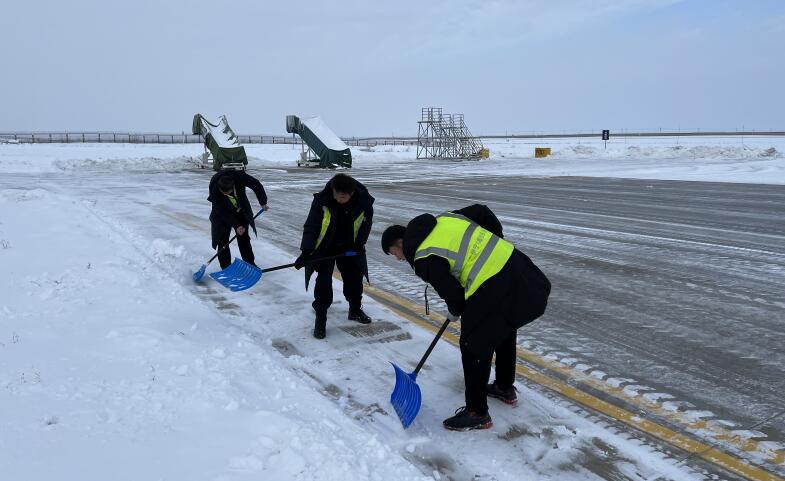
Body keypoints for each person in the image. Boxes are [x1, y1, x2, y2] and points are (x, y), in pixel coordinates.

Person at [380, 204, 550, 431]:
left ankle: (477, 412)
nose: (399, 259)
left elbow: (455, 296)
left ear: (400, 243)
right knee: (502, 326)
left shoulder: (422, 256)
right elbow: (481, 211)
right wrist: (496, 244)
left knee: (472, 344)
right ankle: (503, 387)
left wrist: (455, 308)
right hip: (522, 271)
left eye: (395, 254)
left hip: (495, 286)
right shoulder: (446, 218)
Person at [295, 174, 374, 339]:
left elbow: (366, 224)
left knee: (354, 279)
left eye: (343, 196)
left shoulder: (364, 202)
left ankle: (355, 309)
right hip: (326, 247)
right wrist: (306, 252)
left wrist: (359, 244)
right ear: (332, 189)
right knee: (323, 282)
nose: (339, 199)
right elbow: (311, 225)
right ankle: (321, 317)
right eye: (336, 194)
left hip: (349, 247)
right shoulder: (322, 200)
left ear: (352, 193)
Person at [207, 169, 268, 269]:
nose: (225, 194)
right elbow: (222, 212)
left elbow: (256, 184)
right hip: (221, 214)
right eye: (223, 193)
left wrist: (263, 202)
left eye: (228, 192)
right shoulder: (215, 191)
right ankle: (226, 267)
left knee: (244, 237)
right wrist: (236, 225)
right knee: (222, 240)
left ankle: (249, 264)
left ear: (233, 186)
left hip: (240, 208)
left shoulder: (239, 177)